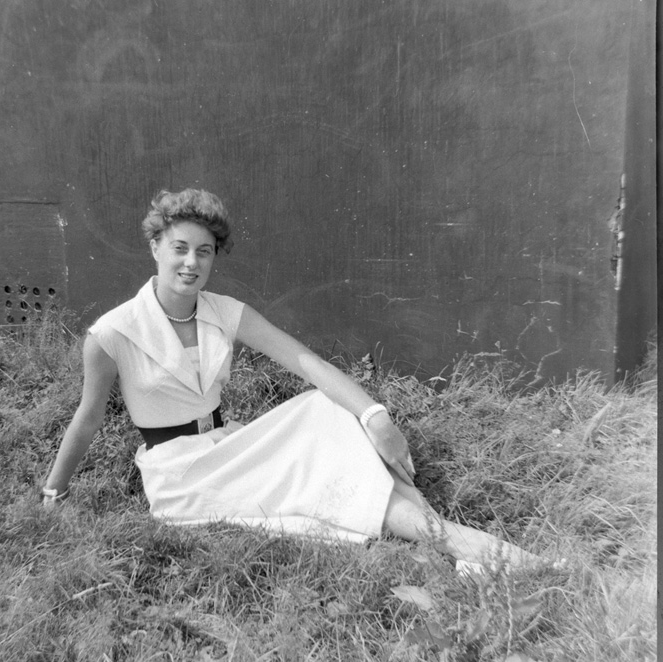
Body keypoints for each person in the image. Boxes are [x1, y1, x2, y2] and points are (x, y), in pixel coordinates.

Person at [42, 188, 547, 571]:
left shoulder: (224, 311)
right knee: (321, 475)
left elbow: (305, 362)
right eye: (179, 248)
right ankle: (463, 543)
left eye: (205, 251)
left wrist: (376, 417)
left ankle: (450, 541)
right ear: (155, 247)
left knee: (327, 409)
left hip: (227, 443)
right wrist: (53, 494)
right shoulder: (112, 333)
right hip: (180, 477)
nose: (191, 263)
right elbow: (87, 419)